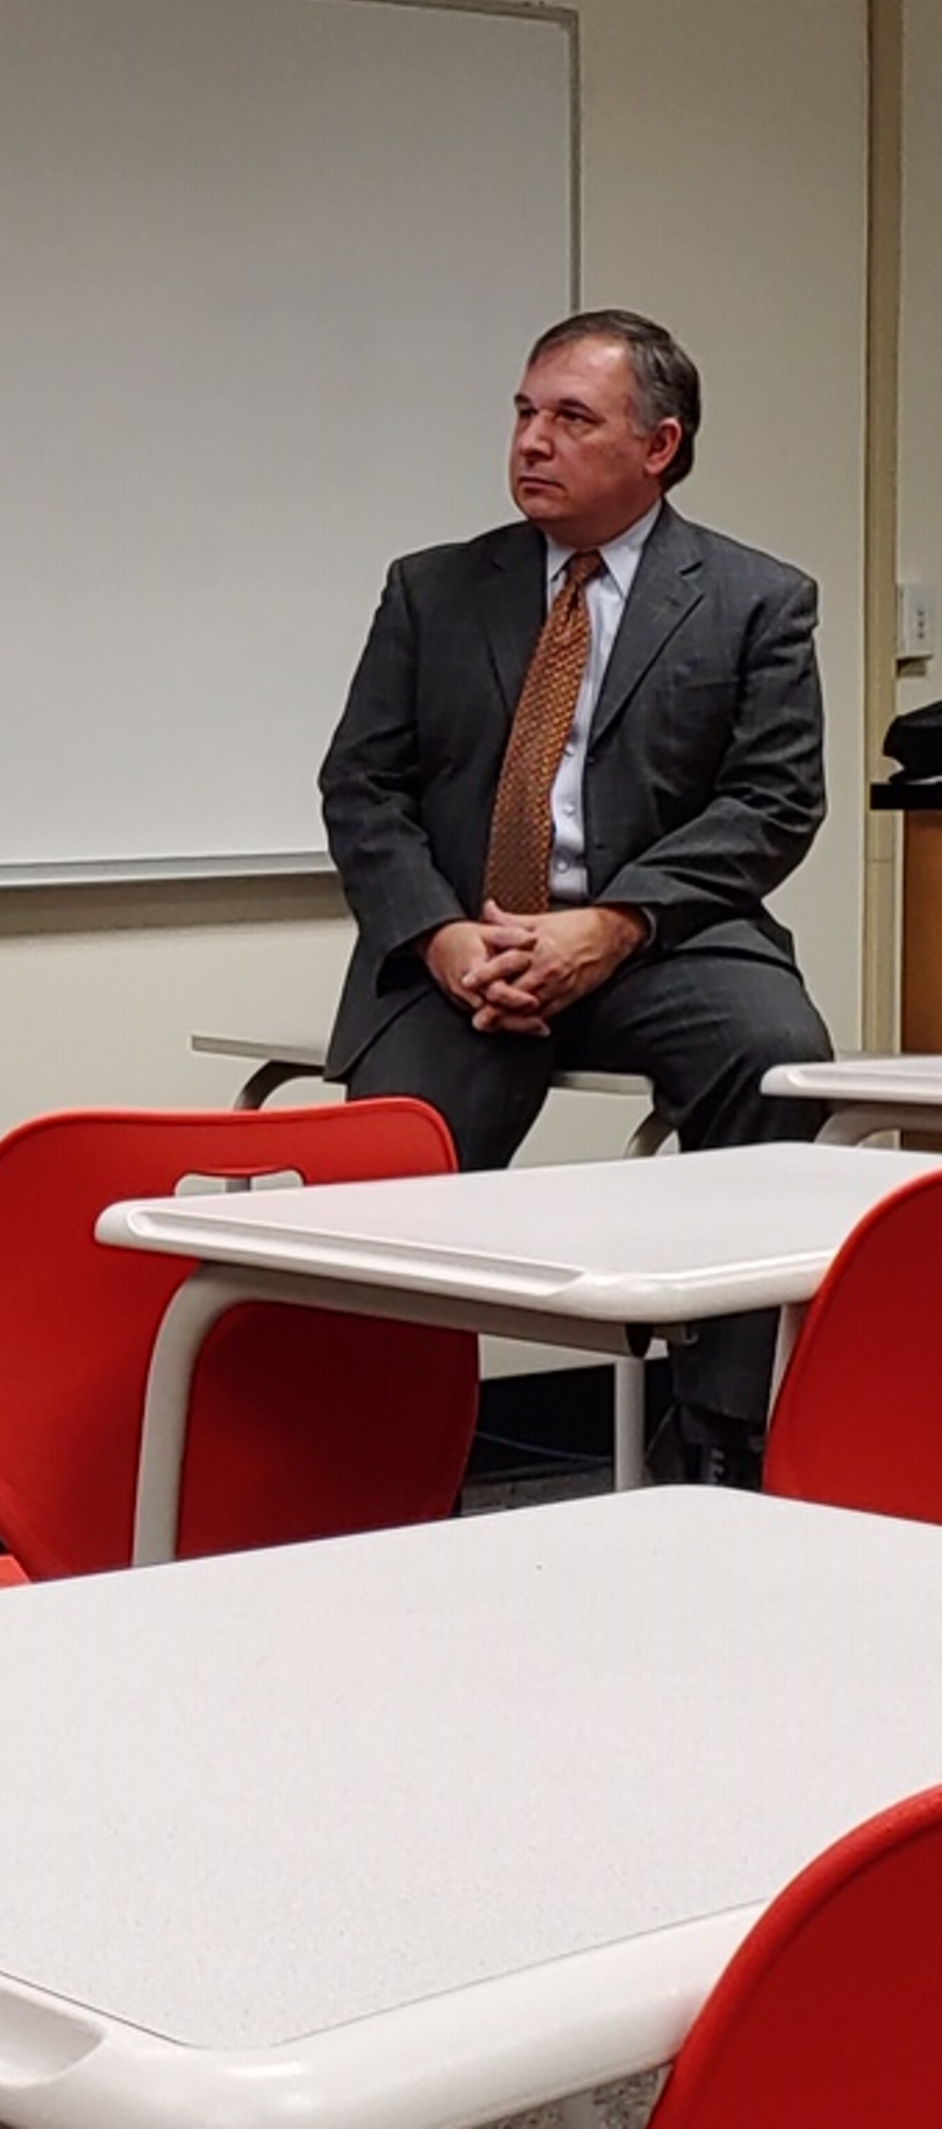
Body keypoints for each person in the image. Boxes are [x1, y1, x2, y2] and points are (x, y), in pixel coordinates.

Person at [318, 307, 833, 1476]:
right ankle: (372, 1458)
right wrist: (441, 936)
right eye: (522, 413)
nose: (531, 442)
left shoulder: (755, 598)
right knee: (389, 1165)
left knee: (778, 1058)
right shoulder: (435, 589)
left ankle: (722, 1434)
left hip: (661, 942)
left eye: (570, 418)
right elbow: (362, 786)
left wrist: (615, 923)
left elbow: (773, 801)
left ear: (658, 445)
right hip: (468, 949)